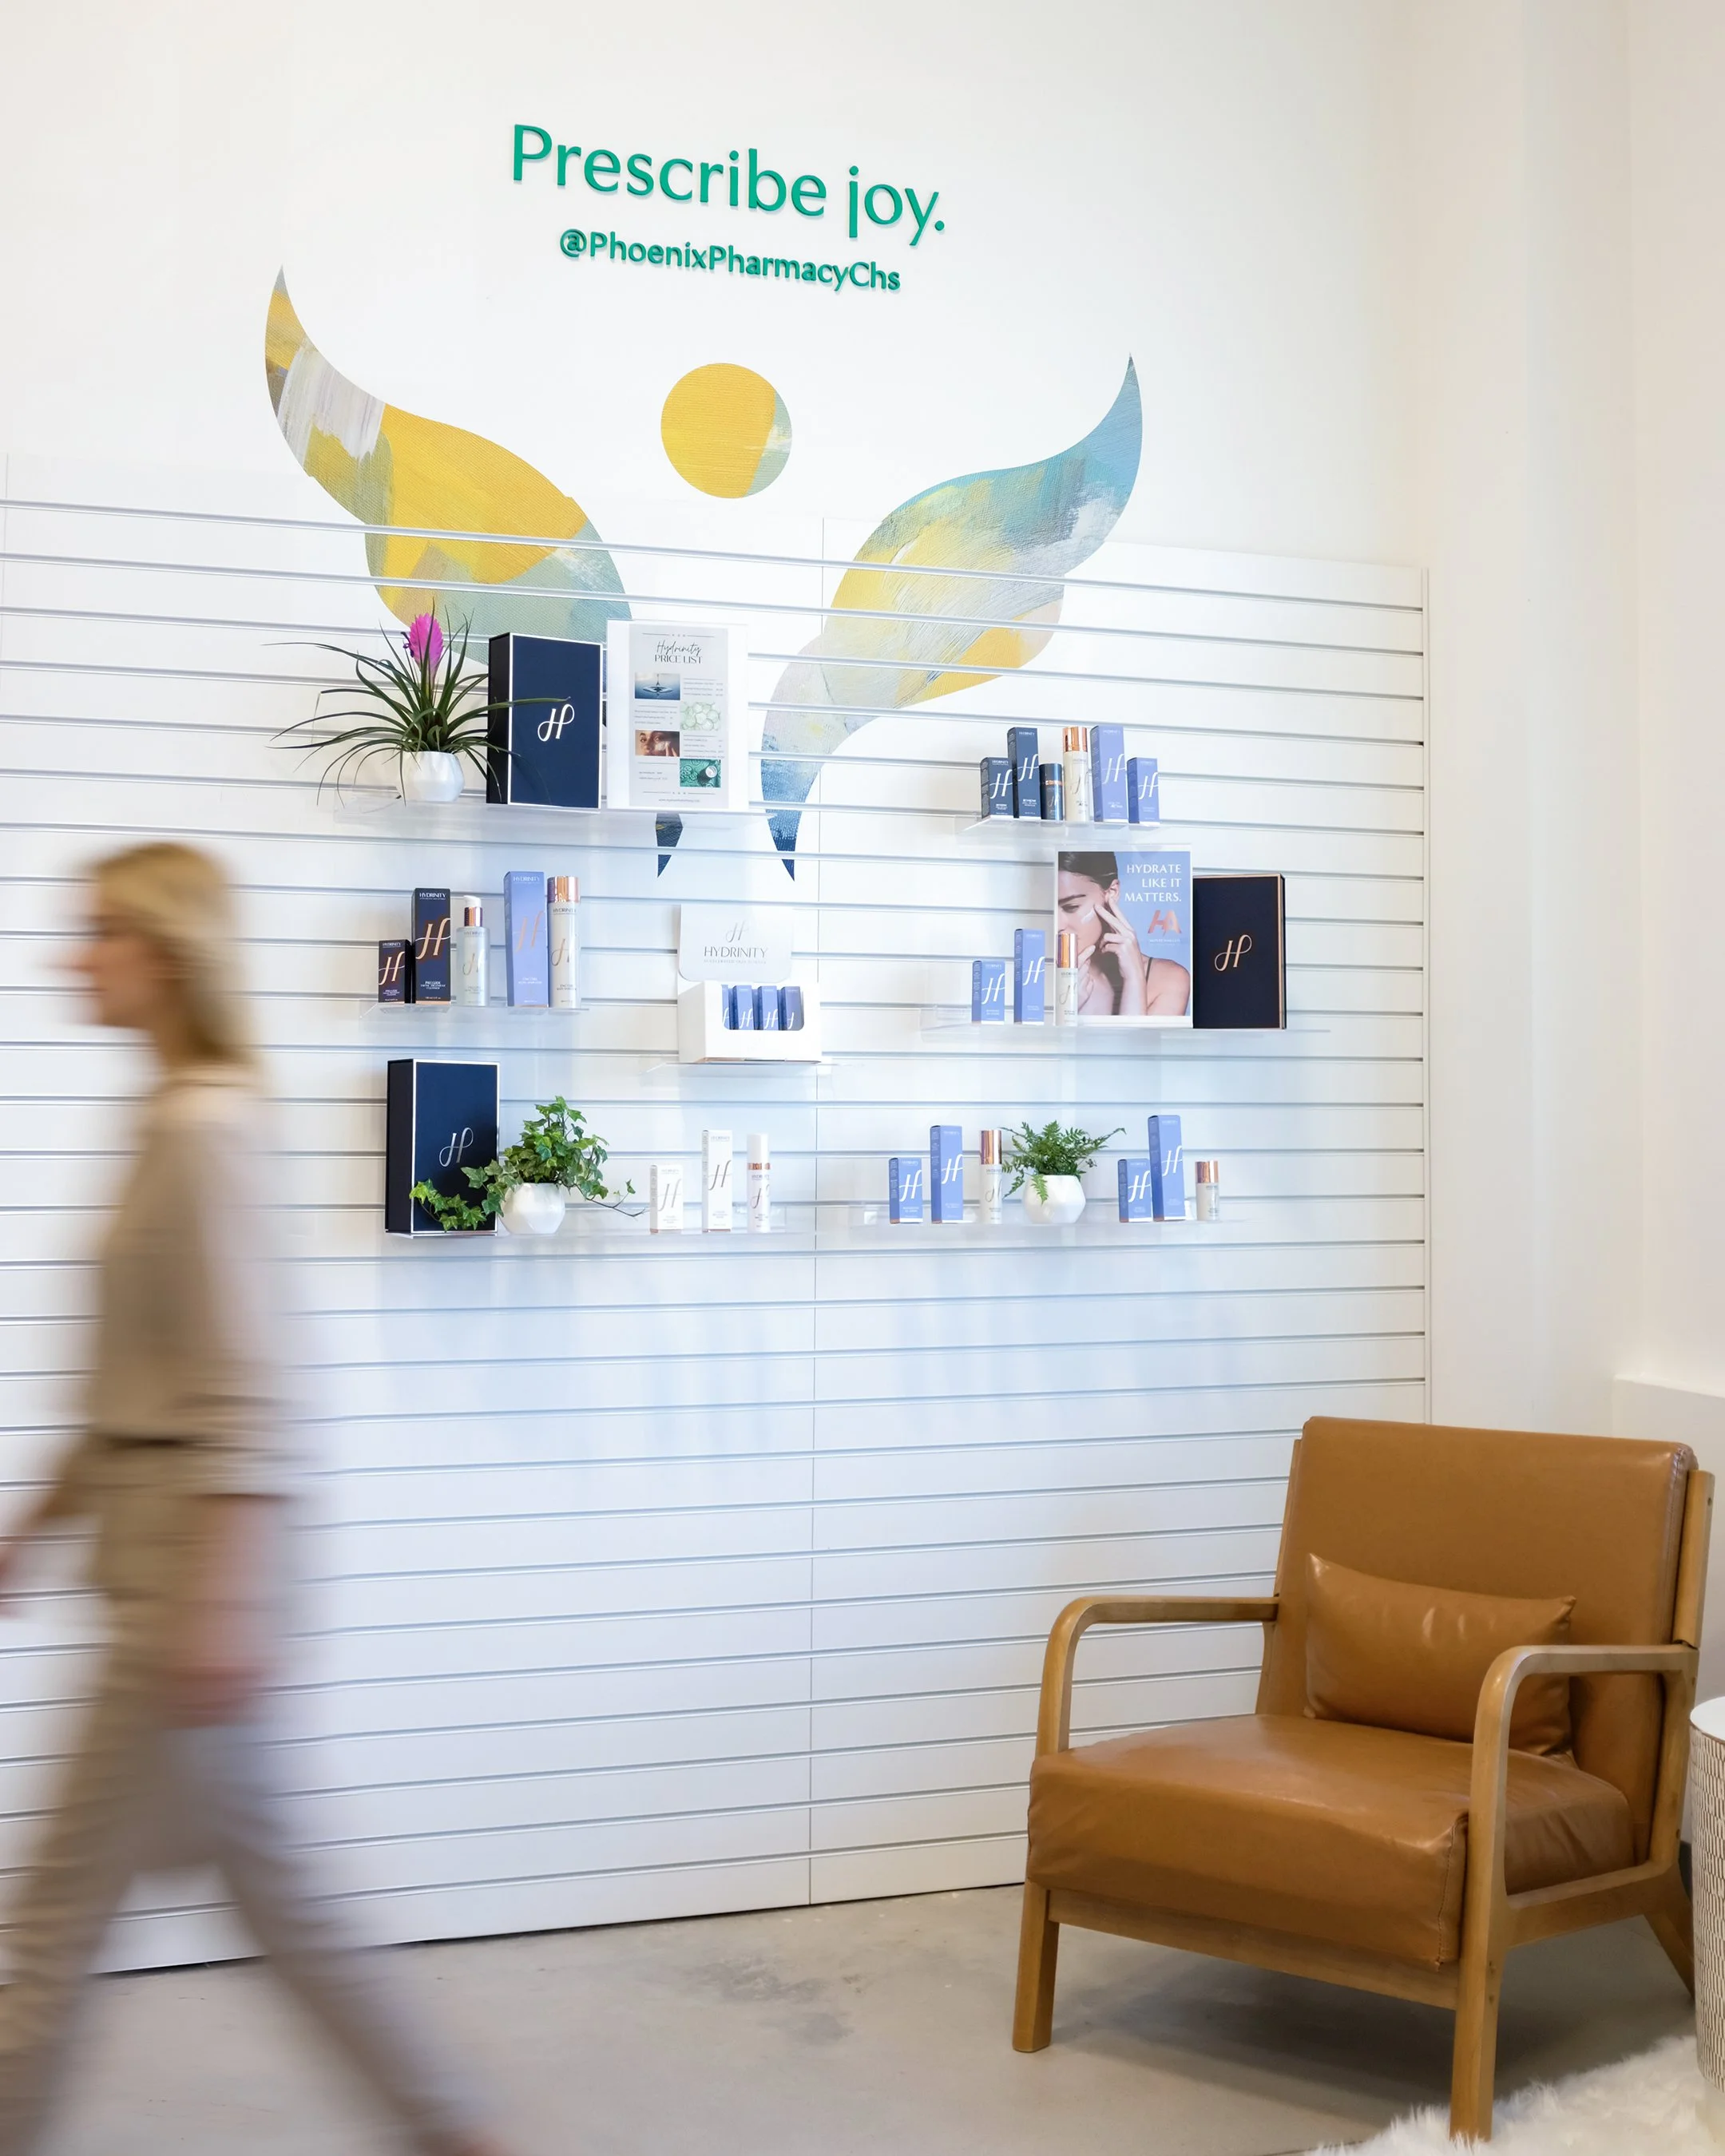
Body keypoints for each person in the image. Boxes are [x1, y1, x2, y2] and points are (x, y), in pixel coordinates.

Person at [0, 843, 508, 2156]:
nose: (76, 955)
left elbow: (245, 1385)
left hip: (185, 1601)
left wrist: (221, 1602)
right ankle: (457, 2132)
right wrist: (35, 1532)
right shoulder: (176, 1112)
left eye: (100, 931)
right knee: (288, 1915)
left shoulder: (205, 1125)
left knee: (51, 1931)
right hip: (168, 1575)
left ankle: (459, 2132)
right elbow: (133, 1381)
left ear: (165, 953)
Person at [1055, 852, 1192, 1017]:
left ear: (1112, 892)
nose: (1058, 925)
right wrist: (1067, 1012)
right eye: (1051, 910)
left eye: (1071, 907)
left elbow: (1138, 1042)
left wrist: (1135, 980)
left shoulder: (1168, 979)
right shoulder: (1038, 975)